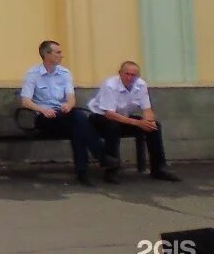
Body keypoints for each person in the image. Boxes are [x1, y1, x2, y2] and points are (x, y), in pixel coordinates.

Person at [20, 40, 112, 187]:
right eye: (58, 52)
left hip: (64, 115)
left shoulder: (65, 73)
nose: (62, 55)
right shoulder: (33, 74)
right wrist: (42, 109)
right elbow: (26, 101)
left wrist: (68, 105)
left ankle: (83, 173)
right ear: (46, 54)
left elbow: (71, 98)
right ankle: (101, 156)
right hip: (45, 117)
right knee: (80, 120)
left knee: (78, 127)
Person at [87, 61, 180, 183]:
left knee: (154, 126)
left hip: (124, 118)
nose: (130, 77)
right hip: (101, 119)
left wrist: (148, 121)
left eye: (134, 75)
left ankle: (159, 168)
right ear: (120, 73)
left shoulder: (141, 85)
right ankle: (112, 170)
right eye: (127, 74)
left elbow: (147, 109)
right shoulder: (110, 84)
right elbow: (110, 114)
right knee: (112, 127)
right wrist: (138, 123)